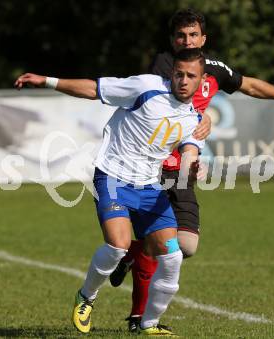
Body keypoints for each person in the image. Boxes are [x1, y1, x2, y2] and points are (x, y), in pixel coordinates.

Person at [109, 8, 274, 333]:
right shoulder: (166, 67)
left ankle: (132, 254)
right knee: (163, 243)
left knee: (185, 247)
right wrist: (199, 119)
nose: (186, 40)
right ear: (172, 40)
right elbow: (169, 106)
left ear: (203, 39)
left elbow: (249, 85)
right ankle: (139, 318)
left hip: (185, 169)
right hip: (154, 167)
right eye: (180, 35)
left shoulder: (214, 69)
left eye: (193, 35)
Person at [15, 48, 209, 336]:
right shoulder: (146, 87)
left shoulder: (194, 118)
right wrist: (47, 80)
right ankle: (86, 297)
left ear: (201, 80)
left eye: (190, 76)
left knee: (173, 257)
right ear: (172, 73)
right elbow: (95, 88)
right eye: (178, 73)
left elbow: (190, 149)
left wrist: (193, 167)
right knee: (118, 245)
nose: (182, 80)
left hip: (149, 186)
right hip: (113, 177)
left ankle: (149, 324)